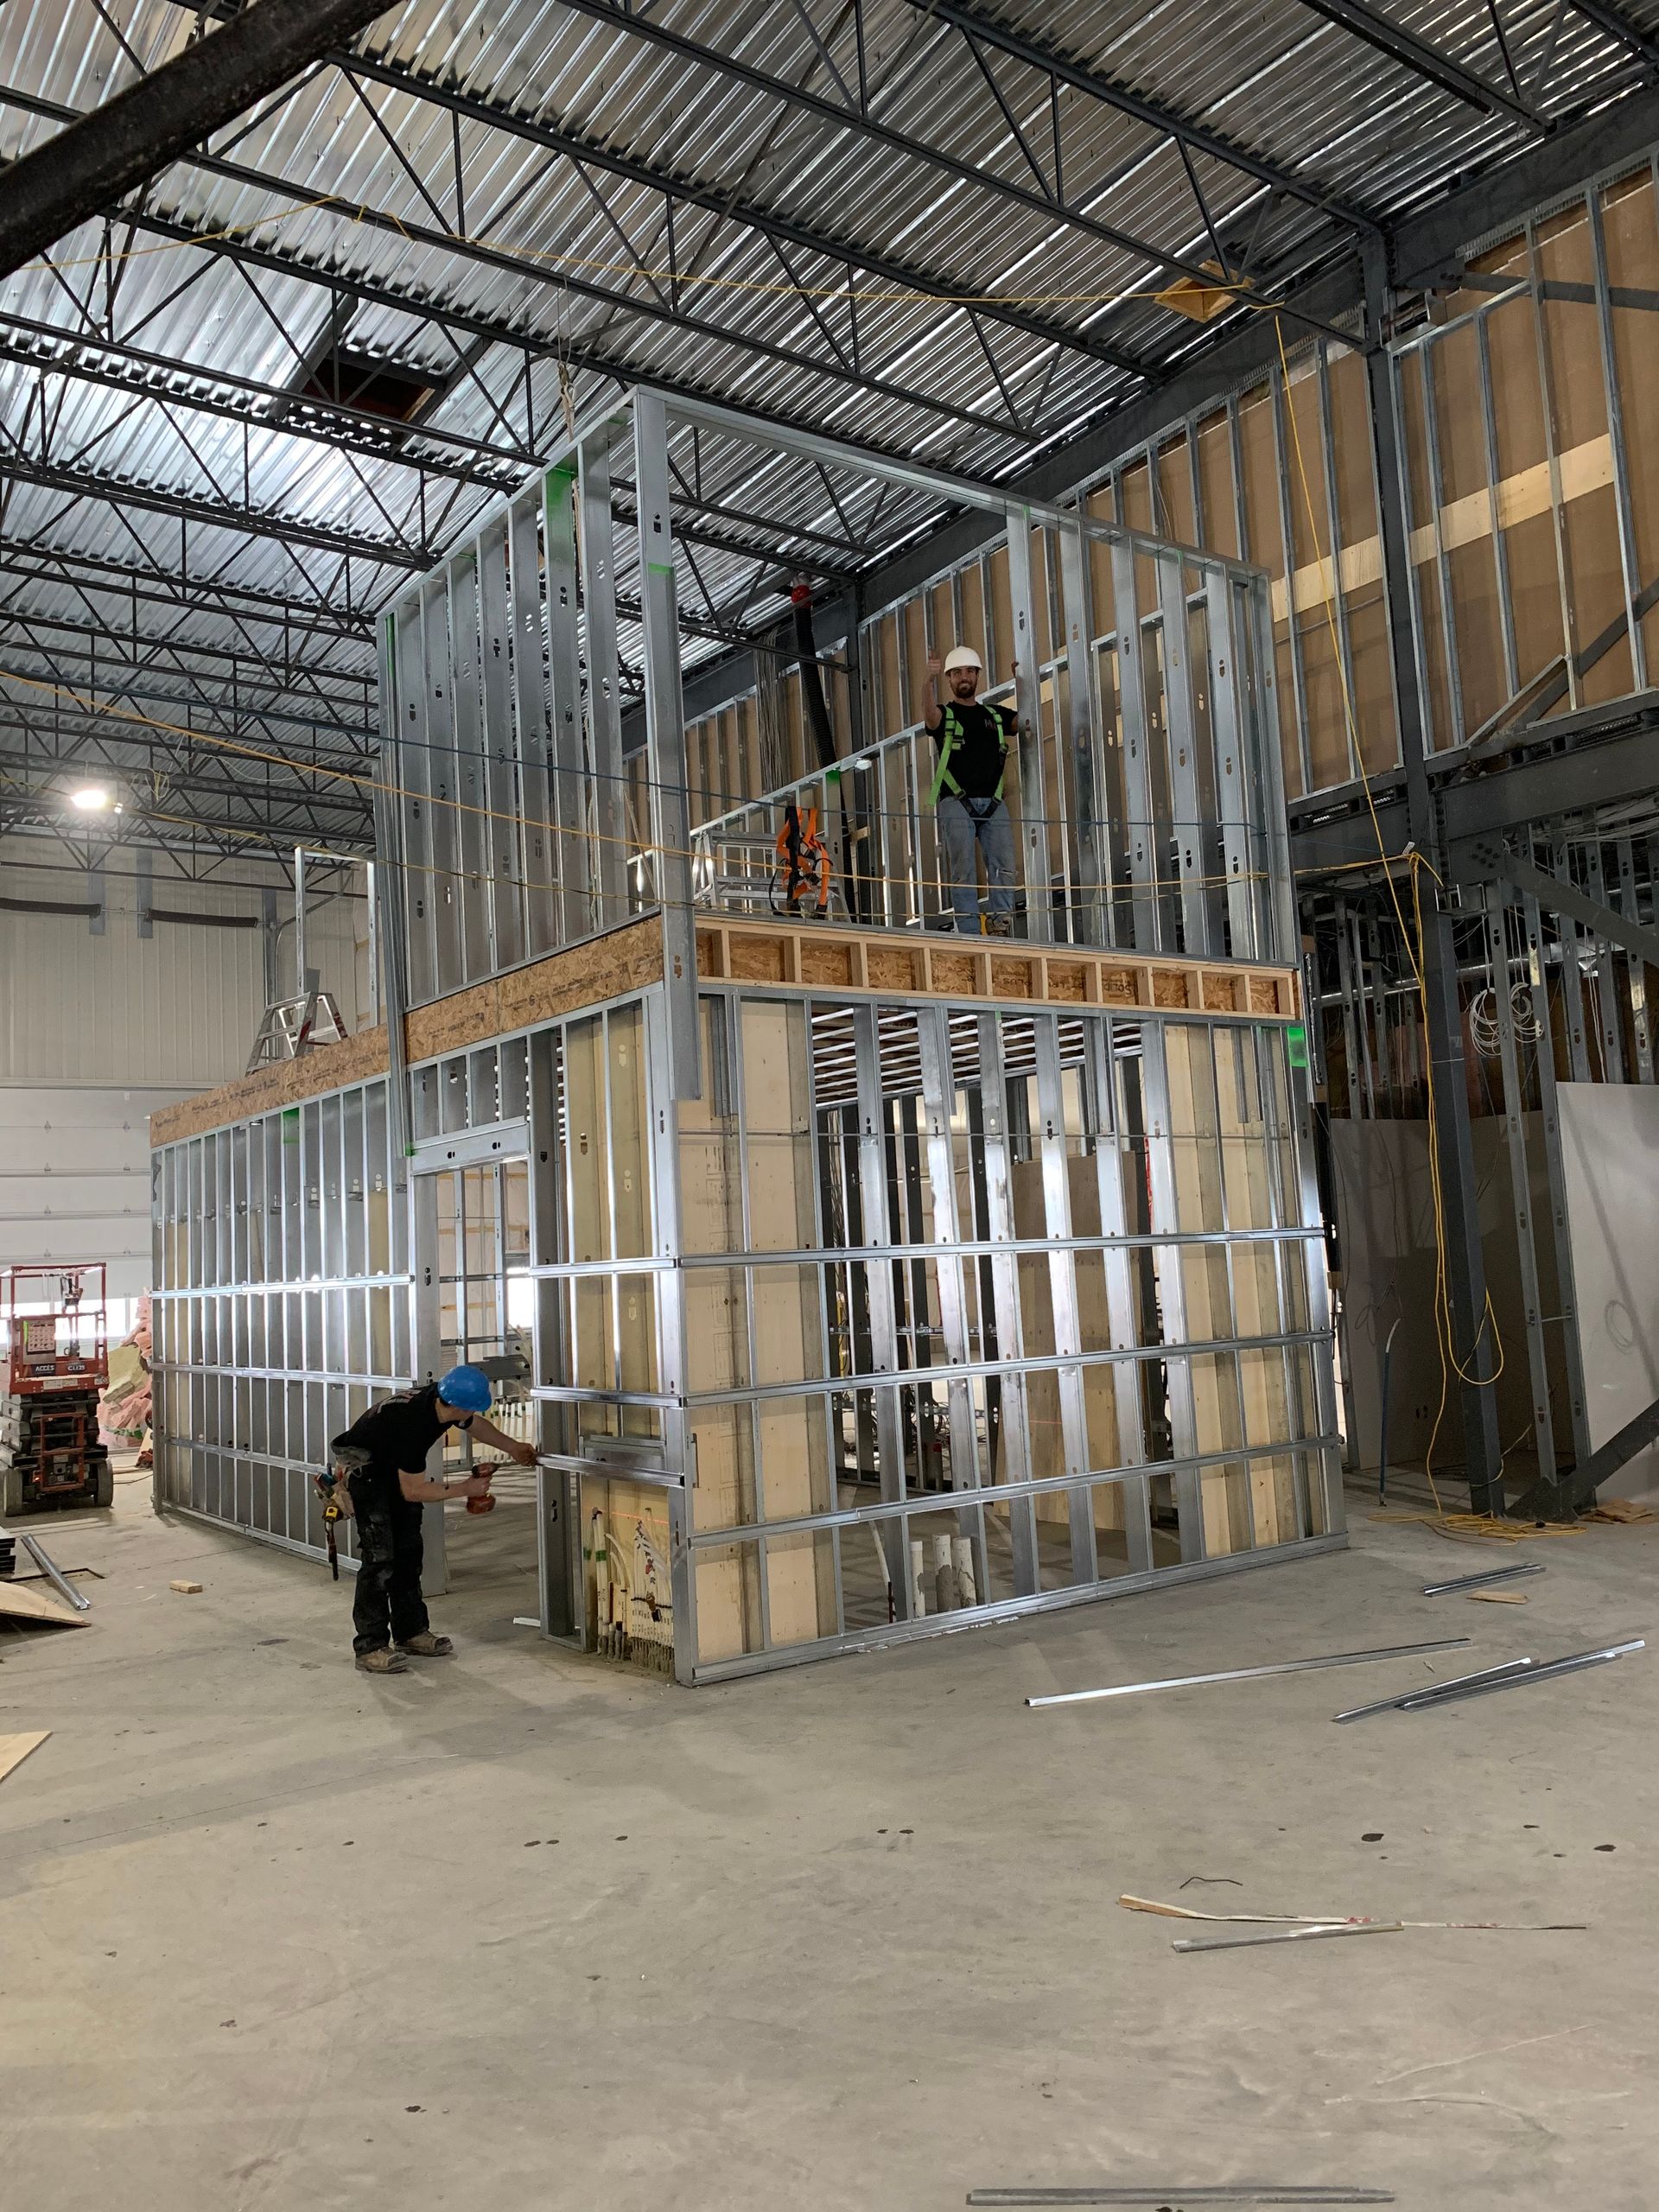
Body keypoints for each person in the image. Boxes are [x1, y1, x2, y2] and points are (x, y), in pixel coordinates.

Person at [329, 1364, 536, 1675]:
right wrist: (466, 1489)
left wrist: (514, 1447)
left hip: (394, 1469)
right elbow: (413, 1491)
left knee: (409, 1554)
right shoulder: (413, 1425)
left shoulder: (442, 1399)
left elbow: (474, 1424)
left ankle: (410, 1633)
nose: (471, 1411)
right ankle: (370, 1647)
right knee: (380, 1561)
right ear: (457, 1403)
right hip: (371, 1478)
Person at [916, 642, 1018, 937]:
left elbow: (1023, 720)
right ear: (949, 679)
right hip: (956, 802)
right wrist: (927, 681)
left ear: (977, 677)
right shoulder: (946, 715)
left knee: (1005, 866)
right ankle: (970, 930)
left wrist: (1021, 682)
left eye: (970, 671)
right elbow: (930, 717)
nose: (965, 677)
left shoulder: (995, 716)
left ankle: (1001, 923)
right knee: (963, 870)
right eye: (958, 672)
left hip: (994, 802)